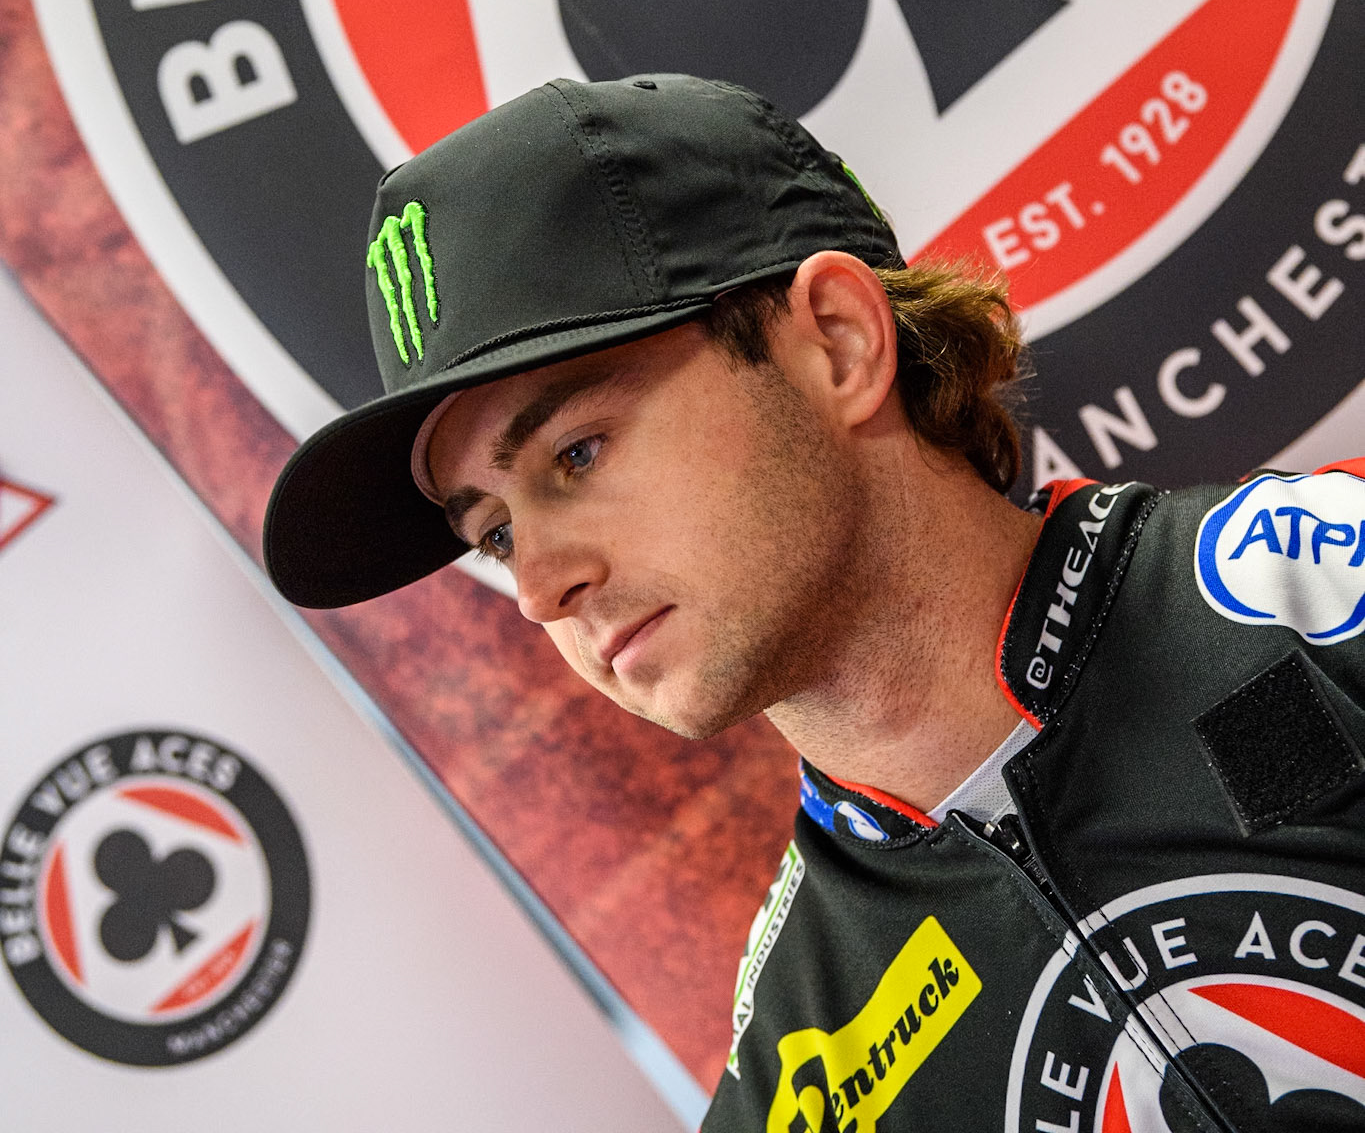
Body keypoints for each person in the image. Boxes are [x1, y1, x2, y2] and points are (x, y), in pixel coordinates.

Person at [265, 73, 1365, 1133]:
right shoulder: (803, 1080)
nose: (542, 586)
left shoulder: (1322, 586)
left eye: (578, 449)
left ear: (838, 342)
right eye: (494, 532)